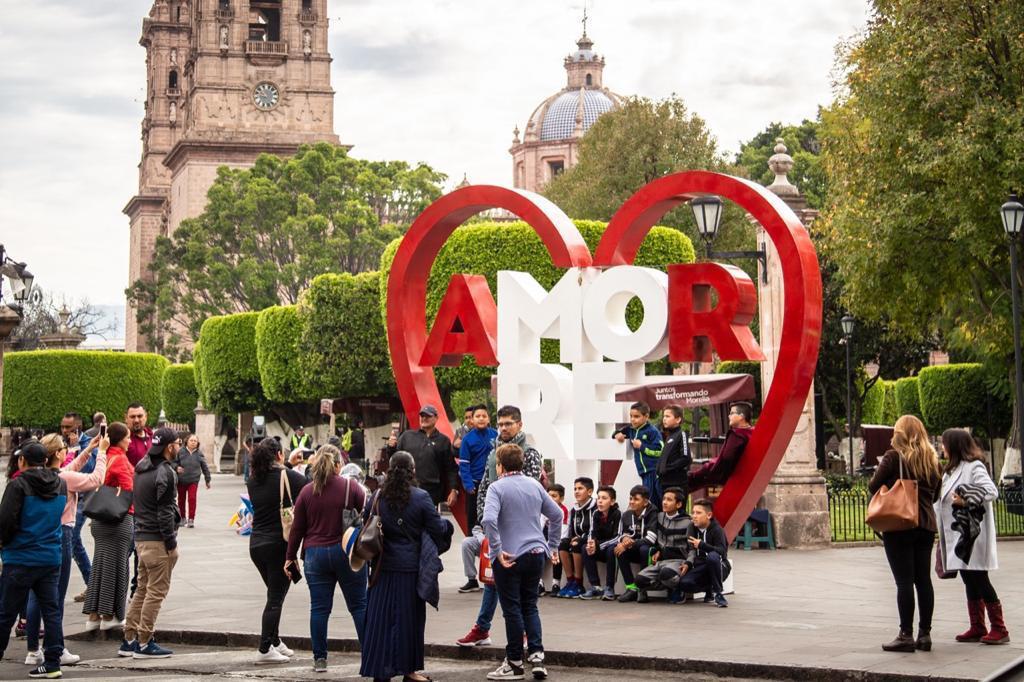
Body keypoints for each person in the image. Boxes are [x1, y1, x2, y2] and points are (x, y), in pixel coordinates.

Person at [360, 451, 453, 682]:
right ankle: (409, 670)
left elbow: (366, 523)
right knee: (409, 621)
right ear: (413, 470)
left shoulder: (377, 496)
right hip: (410, 570)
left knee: (380, 621)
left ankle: (381, 671)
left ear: (389, 470)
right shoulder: (421, 497)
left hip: (381, 568)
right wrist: (447, 527)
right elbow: (437, 530)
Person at [458, 405, 543, 648]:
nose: (504, 428)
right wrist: (485, 522)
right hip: (495, 528)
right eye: (502, 423)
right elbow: (484, 487)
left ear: (520, 424)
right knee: (492, 579)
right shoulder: (493, 452)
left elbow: (530, 494)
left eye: (509, 423)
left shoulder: (530, 453)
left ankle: (512, 632)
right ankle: (484, 628)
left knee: (508, 585)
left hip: (520, 532)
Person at [24, 432, 108, 668]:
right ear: (58, 453)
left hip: (39, 534)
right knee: (55, 598)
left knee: (35, 595)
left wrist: (88, 449)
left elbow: (70, 468)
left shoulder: (41, 476)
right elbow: (96, 479)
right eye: (63, 448)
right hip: (62, 534)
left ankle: (33, 650)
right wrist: (101, 451)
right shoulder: (65, 478)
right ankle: (56, 648)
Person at [483, 443, 562, 681]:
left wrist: (496, 550)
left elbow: (488, 520)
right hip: (536, 553)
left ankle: (515, 662)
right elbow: (557, 514)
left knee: (512, 609)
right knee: (530, 605)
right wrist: (553, 545)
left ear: (499, 465)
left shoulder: (496, 488)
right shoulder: (535, 485)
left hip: (509, 556)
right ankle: (537, 657)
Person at [286, 444, 367, 673]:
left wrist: (290, 557)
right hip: (347, 553)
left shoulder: (306, 491)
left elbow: (297, 529)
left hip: (315, 556)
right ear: (338, 464)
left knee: (319, 609)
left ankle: (320, 659)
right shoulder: (351, 487)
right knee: (359, 606)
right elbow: (368, 514)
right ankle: (369, 654)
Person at [868, 414, 941, 653]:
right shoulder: (932, 459)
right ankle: (925, 634)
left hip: (900, 524)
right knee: (923, 580)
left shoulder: (893, 457)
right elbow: (936, 494)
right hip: (926, 525)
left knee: (903, 582)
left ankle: (905, 634)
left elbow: (873, 485)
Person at [0, 440, 69, 679]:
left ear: (22, 461)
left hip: (20, 557)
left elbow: (6, 522)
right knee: (51, 612)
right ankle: (52, 663)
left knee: (5, 613)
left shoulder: (18, 485)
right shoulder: (60, 484)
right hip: (50, 557)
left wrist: (3, 544)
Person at [935, 429, 1008, 645]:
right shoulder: (950, 470)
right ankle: (977, 625)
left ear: (955, 445)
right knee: (968, 579)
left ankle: (999, 628)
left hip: (973, 535)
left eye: (944, 443)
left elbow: (991, 490)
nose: (942, 447)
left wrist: (966, 499)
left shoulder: (974, 466)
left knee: (979, 578)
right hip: (958, 536)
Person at [120, 427, 182, 659]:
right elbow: (165, 512)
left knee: (142, 590)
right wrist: (171, 542)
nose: (179, 446)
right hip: (157, 541)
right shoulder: (165, 472)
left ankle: (128, 639)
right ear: (169, 447)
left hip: (141, 538)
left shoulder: (141, 468)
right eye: (177, 443)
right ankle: (145, 642)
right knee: (156, 592)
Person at [246, 438, 307, 664]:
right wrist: (289, 465)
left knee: (274, 593)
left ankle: (275, 640)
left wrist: (285, 465)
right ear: (280, 455)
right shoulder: (288, 476)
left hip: (256, 545)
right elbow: (307, 485)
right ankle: (264, 649)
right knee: (275, 598)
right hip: (278, 545)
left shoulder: (253, 480)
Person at [83, 421, 135, 631]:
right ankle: (111, 615)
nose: (130, 441)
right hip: (118, 520)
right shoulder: (121, 459)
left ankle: (94, 616)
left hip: (99, 519)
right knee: (118, 568)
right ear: (120, 439)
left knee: (99, 568)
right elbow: (128, 488)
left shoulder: (103, 456)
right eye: (128, 437)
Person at [387, 405, 459, 509]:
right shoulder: (407, 436)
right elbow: (394, 459)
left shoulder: (444, 441)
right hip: (406, 488)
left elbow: (451, 468)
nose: (424, 418)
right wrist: (391, 447)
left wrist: (454, 490)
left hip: (432, 492)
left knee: (427, 522)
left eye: (428, 416)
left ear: (436, 418)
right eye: (422, 415)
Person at [634, 487, 693, 603]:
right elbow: (658, 540)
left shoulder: (688, 523)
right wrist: (658, 550)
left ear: (679, 504)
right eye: (664, 499)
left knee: (666, 573)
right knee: (639, 580)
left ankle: (677, 589)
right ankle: (669, 586)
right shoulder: (659, 517)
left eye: (669, 500)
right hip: (661, 563)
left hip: (678, 562)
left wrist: (688, 563)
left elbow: (692, 548)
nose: (664, 502)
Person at [689, 402, 754, 492]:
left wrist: (710, 466)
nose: (728, 416)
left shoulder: (736, 434)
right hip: (744, 477)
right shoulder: (752, 432)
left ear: (741, 416)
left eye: (732, 413)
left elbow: (726, 457)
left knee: (688, 480)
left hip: (725, 477)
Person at [678, 497, 731, 607]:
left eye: (698, 513)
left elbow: (722, 551)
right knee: (684, 583)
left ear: (709, 515)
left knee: (712, 557)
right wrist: (688, 563)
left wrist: (703, 545)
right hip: (700, 566)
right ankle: (709, 588)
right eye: (693, 512)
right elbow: (691, 550)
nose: (694, 516)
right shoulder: (692, 527)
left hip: (720, 566)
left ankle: (718, 593)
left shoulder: (717, 529)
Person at [614, 401, 664, 507]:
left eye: (636, 416)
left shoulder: (653, 431)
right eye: (631, 416)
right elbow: (617, 432)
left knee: (653, 500)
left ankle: (657, 521)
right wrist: (617, 434)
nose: (632, 419)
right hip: (643, 472)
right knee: (647, 499)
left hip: (653, 471)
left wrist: (642, 447)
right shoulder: (631, 429)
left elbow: (660, 451)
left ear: (646, 416)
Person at [615, 485, 659, 602]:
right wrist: (624, 540)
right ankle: (631, 588)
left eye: (635, 499)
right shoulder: (627, 514)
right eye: (630, 498)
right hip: (635, 548)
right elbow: (620, 535)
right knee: (619, 550)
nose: (631, 502)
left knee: (644, 549)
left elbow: (651, 539)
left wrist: (629, 543)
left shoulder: (653, 512)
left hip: (651, 550)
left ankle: (642, 588)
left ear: (645, 502)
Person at [580, 485, 622, 601]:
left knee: (611, 550)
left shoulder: (617, 514)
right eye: (598, 498)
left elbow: (618, 537)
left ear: (612, 501)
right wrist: (590, 544)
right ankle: (596, 587)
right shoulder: (595, 514)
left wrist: (598, 545)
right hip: (598, 547)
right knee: (584, 548)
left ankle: (610, 588)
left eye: (604, 498)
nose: (600, 501)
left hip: (608, 547)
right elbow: (591, 532)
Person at [459, 405, 497, 532]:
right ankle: (473, 545)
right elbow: (464, 464)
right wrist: (468, 484)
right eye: (477, 416)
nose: (481, 419)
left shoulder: (496, 435)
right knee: (473, 519)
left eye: (484, 416)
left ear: (488, 419)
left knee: (492, 516)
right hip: (475, 486)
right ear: (472, 420)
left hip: (493, 483)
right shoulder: (467, 439)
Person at [556, 477, 595, 598]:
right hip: (577, 539)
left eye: (580, 488)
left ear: (589, 492)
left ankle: (579, 583)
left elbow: (594, 531)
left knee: (577, 544)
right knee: (562, 544)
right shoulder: (574, 510)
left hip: (591, 540)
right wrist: (572, 538)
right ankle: (570, 581)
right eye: (575, 489)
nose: (577, 491)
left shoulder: (595, 508)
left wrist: (579, 538)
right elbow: (572, 531)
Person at [174, 434, 211, 528]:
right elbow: (173, 462)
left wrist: (208, 479)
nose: (193, 442)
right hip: (181, 480)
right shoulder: (180, 451)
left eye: (195, 441)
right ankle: (182, 518)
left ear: (197, 443)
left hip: (193, 481)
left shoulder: (199, 453)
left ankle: (191, 519)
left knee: (192, 499)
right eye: (191, 440)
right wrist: (176, 467)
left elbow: (205, 467)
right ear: (187, 441)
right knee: (181, 500)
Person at [657, 405, 691, 503]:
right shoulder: (669, 436)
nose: (664, 419)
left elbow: (686, 458)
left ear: (678, 419)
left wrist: (667, 468)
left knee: (678, 516)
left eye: (668, 416)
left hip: (677, 485)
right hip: (664, 483)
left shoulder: (681, 434)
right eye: (664, 416)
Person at [542, 484, 568, 596]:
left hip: (558, 538)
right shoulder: (543, 509)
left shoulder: (563, 510)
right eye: (549, 496)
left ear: (561, 498)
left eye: (554, 496)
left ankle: (556, 583)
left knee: (556, 550)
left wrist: (551, 546)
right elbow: (539, 527)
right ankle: (538, 583)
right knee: (536, 549)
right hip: (545, 537)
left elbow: (563, 531)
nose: (551, 499)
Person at [125, 403, 153, 468]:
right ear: (126, 418)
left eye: (140, 416)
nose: (136, 420)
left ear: (146, 417)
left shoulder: (153, 436)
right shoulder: (121, 439)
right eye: (132, 417)